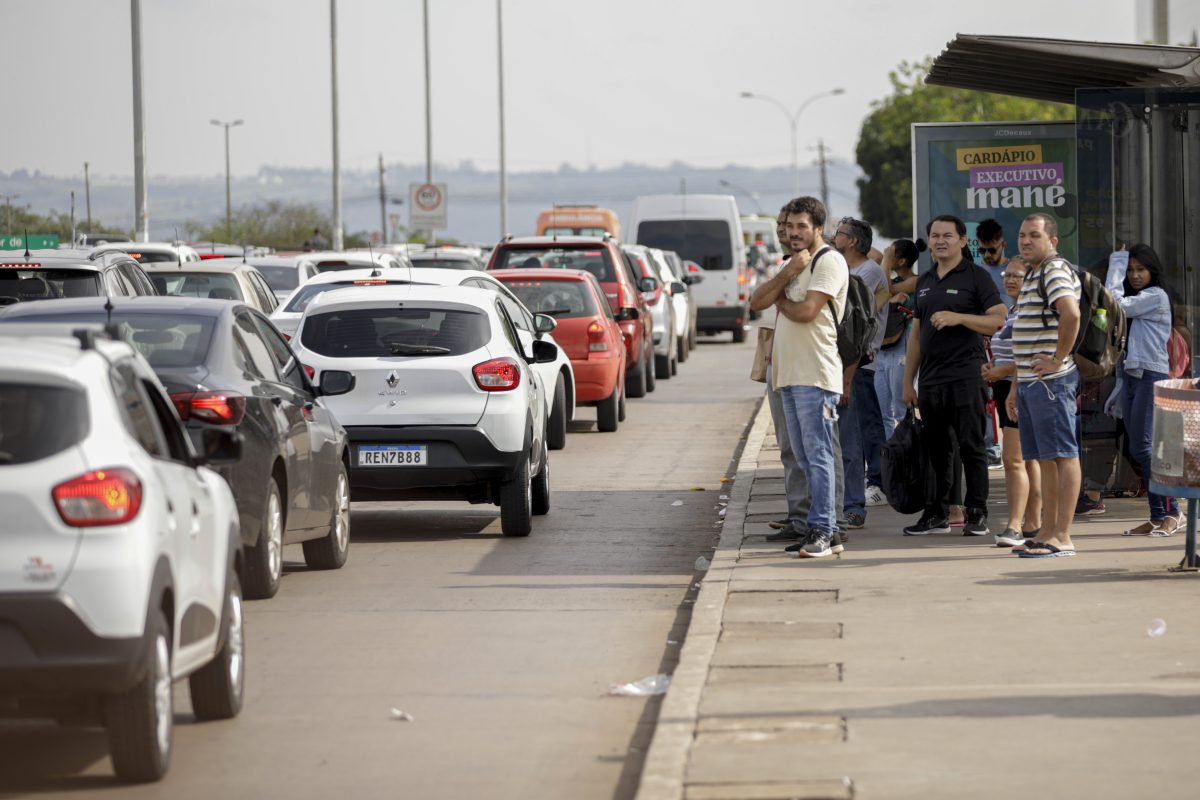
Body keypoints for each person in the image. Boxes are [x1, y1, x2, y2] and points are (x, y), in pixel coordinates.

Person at [754, 196, 849, 558]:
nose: (793, 233)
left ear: (818, 229)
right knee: (804, 457)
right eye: (789, 226)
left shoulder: (830, 261)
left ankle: (825, 530)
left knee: (819, 453)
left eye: (801, 227)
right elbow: (755, 302)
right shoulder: (792, 265)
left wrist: (780, 298)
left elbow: (808, 311)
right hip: (788, 376)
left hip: (816, 375)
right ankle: (817, 526)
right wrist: (786, 274)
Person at [902, 214, 1006, 537]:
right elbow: (916, 336)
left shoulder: (977, 277)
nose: (940, 241)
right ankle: (937, 513)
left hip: (966, 376)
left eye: (948, 235)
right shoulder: (925, 281)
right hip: (931, 380)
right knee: (936, 450)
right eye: (935, 235)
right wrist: (908, 381)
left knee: (971, 446)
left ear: (963, 241)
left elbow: (998, 320)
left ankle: (977, 512)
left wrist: (959, 318)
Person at [1006, 213, 1082, 557]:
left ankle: (1062, 536)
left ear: (1052, 241)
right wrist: (1016, 386)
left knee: (1063, 456)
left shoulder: (1053, 269)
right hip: (1032, 383)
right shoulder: (1036, 272)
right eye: (1022, 235)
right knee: (1046, 459)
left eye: (1033, 236)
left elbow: (1071, 314)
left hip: (1052, 381)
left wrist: (1057, 358)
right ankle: (1048, 530)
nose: (1025, 241)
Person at [1104, 244, 1182, 536]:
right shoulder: (1140, 297)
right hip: (1133, 375)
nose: (1135, 275)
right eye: (1130, 270)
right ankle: (1157, 515)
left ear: (1153, 271)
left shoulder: (1156, 296)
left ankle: (1173, 512)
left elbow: (1114, 304)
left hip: (1151, 375)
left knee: (1147, 447)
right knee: (1139, 449)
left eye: (1140, 269)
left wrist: (1118, 261)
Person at [830, 217, 889, 527]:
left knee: (855, 438)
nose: (833, 238)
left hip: (856, 366)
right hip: (838, 368)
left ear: (851, 241)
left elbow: (853, 331)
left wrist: (848, 378)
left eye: (838, 233)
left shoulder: (865, 273)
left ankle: (856, 503)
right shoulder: (848, 270)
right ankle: (838, 504)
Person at [981, 256, 1043, 547]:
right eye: (1007, 275)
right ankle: (1032, 522)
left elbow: (1031, 356)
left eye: (1018, 275)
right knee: (1026, 460)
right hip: (1006, 388)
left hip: (1023, 389)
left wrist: (1001, 371)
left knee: (1013, 460)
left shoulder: (1031, 309)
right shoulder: (1015, 309)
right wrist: (994, 369)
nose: (1010, 279)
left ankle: (1016, 526)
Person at [875, 239, 921, 436]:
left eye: (891, 255)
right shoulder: (893, 282)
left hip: (903, 347)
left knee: (900, 409)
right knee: (882, 410)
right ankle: (889, 457)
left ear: (901, 261)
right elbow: (881, 296)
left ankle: (907, 456)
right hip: (884, 349)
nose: (886, 257)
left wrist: (885, 259)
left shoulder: (916, 280)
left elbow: (885, 290)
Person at [976, 218, 1013, 310]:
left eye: (992, 250)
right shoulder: (973, 272)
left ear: (1003, 245)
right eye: (982, 250)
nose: (987, 255)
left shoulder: (1016, 269)